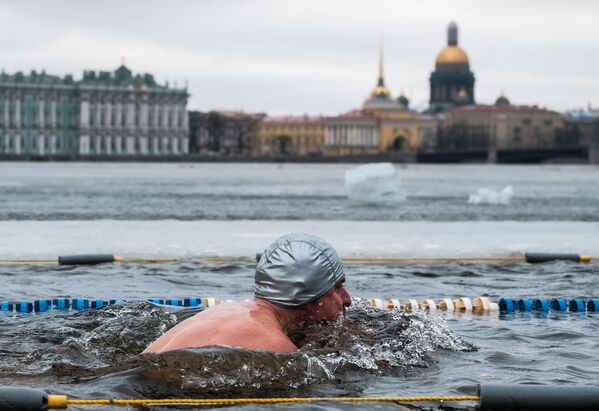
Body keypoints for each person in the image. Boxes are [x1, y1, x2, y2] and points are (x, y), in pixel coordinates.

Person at [143, 233, 351, 354]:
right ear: (310, 294)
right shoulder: (275, 346)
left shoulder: (228, 310)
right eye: (337, 287)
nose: (347, 299)